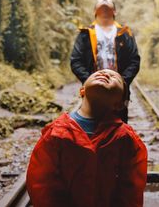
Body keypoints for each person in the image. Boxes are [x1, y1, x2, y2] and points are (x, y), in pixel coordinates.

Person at [26, 69, 148, 207]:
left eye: (115, 78)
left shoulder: (126, 138)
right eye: (98, 73)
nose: (105, 74)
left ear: (119, 104)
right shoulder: (56, 133)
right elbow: (42, 183)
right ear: (82, 90)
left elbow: (131, 189)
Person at [70, 0, 140, 123]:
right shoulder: (85, 33)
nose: (104, 0)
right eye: (101, 0)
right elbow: (76, 61)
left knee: (118, 126)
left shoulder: (125, 33)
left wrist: (122, 83)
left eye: (108, 0)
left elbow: (134, 61)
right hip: (92, 90)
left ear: (114, 11)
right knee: (92, 124)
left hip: (118, 91)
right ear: (94, 11)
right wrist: (89, 81)